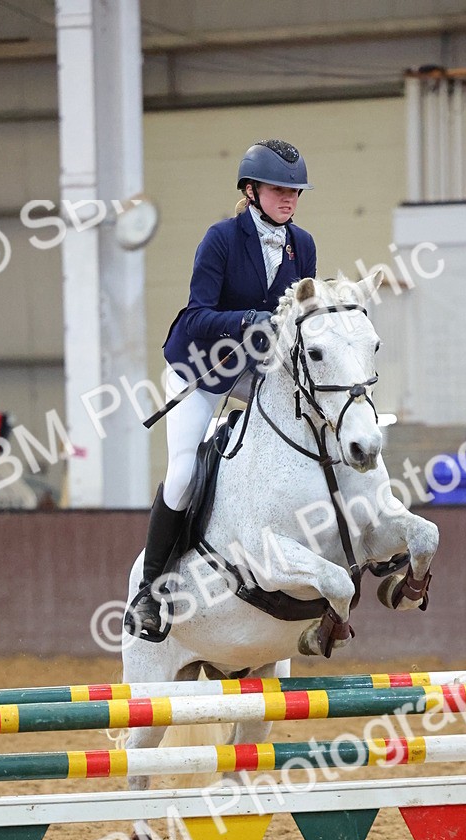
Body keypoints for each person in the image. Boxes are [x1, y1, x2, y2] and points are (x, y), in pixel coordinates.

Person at [125, 138, 317, 638]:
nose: (289, 199)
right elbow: (197, 315)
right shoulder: (221, 239)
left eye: (295, 192)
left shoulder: (304, 245)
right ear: (251, 190)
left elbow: (299, 319)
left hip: (256, 371)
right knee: (185, 471)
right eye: (279, 190)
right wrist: (249, 320)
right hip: (201, 369)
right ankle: (150, 591)